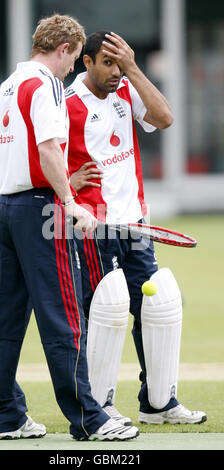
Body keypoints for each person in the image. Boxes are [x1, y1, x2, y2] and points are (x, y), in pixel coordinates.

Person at [0, 16, 139, 442]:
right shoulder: (46, 85)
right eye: (73, 58)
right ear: (67, 48)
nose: (71, 69)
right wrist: (69, 203)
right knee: (64, 317)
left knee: (10, 322)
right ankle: (89, 418)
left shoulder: (4, 89)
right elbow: (50, 148)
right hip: (39, 211)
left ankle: (6, 414)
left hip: (6, 209)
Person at [65, 30, 207, 425]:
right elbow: (44, 154)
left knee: (156, 307)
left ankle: (158, 404)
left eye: (119, 62)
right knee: (104, 312)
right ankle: (100, 405)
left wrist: (132, 67)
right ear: (86, 62)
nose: (114, 71)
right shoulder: (69, 103)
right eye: (107, 63)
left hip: (136, 225)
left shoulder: (127, 89)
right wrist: (68, 180)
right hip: (94, 228)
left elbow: (164, 118)